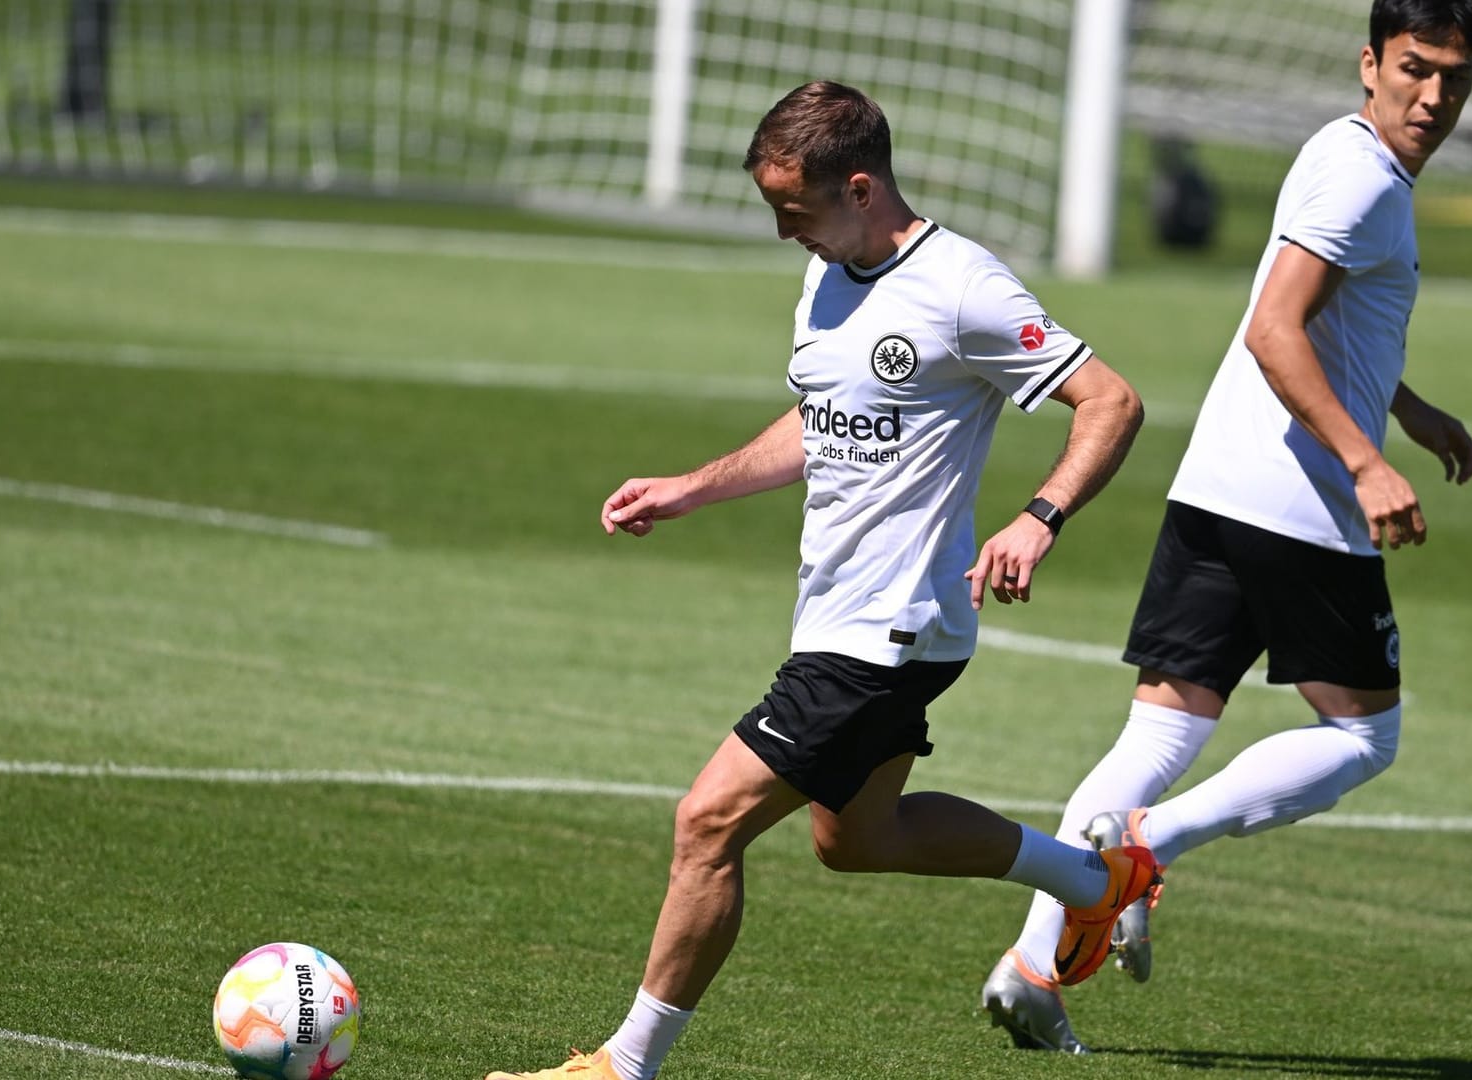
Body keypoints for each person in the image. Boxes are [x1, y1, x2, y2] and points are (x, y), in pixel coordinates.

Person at [485, 80, 1157, 1080]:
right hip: (838, 618)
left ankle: (622, 1068)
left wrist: (1038, 517)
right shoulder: (829, 271)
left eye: (792, 211)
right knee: (857, 837)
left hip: (888, 633)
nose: (782, 231)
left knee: (706, 821)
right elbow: (819, 423)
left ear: (859, 186)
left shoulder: (964, 285)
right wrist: (692, 489)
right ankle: (1094, 880)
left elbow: (1110, 400)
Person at [980, 0, 1472, 1053]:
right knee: (1362, 735)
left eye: (1453, 74)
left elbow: (1323, 318)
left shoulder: (1342, 156)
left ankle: (1034, 968)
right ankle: (1149, 847)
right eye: (1415, 68)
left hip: (1218, 489)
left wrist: (1405, 402)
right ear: (1370, 63)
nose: (1434, 95)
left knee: (1159, 733)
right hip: (1299, 507)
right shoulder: (1362, 176)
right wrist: (1366, 461)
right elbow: (1272, 329)